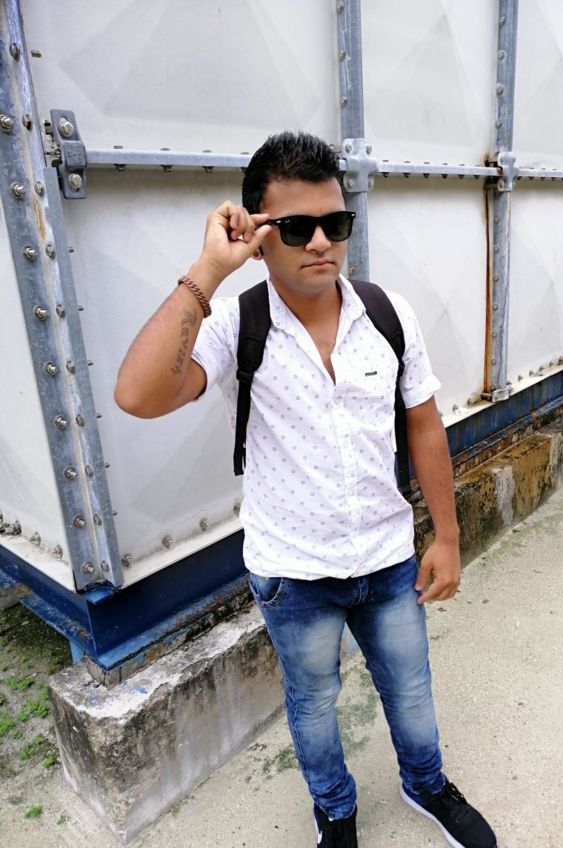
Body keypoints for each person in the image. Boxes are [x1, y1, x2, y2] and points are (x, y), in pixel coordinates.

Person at [114, 131, 497, 848]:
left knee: (412, 689)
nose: (321, 242)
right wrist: (207, 270)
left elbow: (423, 424)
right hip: (293, 572)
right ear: (260, 236)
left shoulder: (387, 314)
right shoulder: (237, 324)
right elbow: (138, 394)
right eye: (296, 228)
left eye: (335, 223)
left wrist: (446, 536)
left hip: (386, 559)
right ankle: (335, 813)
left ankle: (426, 784)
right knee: (314, 705)